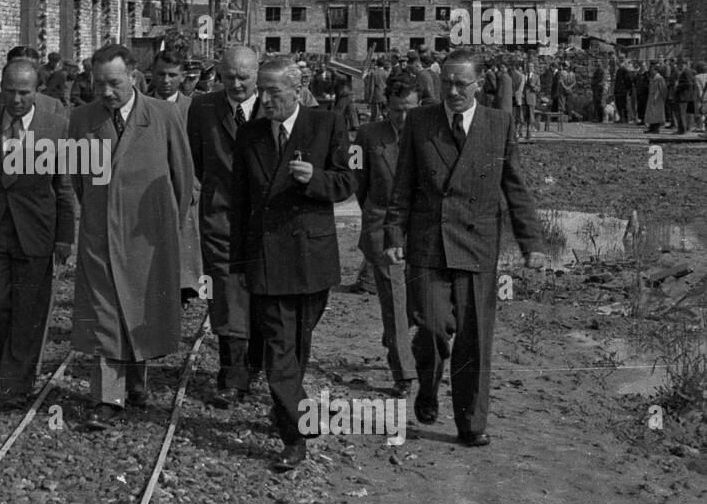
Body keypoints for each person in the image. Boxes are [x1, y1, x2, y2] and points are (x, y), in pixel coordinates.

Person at [383, 51, 546, 447]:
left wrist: (533, 245)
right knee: (432, 328)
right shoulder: (421, 122)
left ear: (479, 84)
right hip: (428, 244)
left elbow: (516, 189)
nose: (453, 91)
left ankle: (471, 423)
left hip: (477, 245)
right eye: (448, 84)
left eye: (462, 84)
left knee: (474, 338)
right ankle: (428, 383)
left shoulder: (498, 124)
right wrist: (393, 235)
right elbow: (402, 185)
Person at [232, 56, 355, 471]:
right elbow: (240, 201)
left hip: (312, 257)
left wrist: (314, 180)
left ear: (297, 89)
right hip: (267, 259)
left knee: (298, 347)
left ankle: (286, 407)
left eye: (274, 92)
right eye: (260, 92)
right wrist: (238, 261)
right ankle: (295, 436)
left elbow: (347, 181)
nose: (264, 100)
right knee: (280, 351)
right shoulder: (248, 135)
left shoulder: (327, 124)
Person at [69, 44, 193, 430]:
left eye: (115, 83)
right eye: (99, 84)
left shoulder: (162, 115)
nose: (106, 92)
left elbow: (182, 179)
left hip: (148, 237)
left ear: (135, 76)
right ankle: (108, 397)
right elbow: (78, 181)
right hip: (101, 234)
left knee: (139, 311)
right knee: (106, 314)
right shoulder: (82, 120)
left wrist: (165, 224)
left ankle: (136, 383)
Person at [0, 59, 75, 406]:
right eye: (10, 92)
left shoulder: (55, 124)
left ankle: (16, 386)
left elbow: (64, 185)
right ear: (1, 88)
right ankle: (5, 350)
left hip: (36, 230)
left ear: (37, 91)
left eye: (24, 93)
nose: (16, 100)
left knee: (29, 310)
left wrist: (64, 235)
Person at [187, 45, 263, 407]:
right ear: (219, 73)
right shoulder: (203, 109)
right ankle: (233, 375)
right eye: (229, 76)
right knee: (227, 300)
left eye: (244, 77)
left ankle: (256, 366)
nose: (236, 84)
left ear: (258, 75)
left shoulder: (276, 106)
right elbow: (198, 161)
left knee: (264, 299)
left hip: (267, 223)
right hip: (221, 218)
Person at [354, 74, 420, 397]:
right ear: (386, 108)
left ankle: (396, 336)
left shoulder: (430, 134)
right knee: (395, 300)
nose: (403, 117)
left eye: (409, 109)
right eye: (397, 110)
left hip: (420, 233)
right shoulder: (368, 136)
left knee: (421, 303)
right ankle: (404, 374)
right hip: (382, 230)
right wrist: (373, 219)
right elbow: (358, 184)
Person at [151, 48, 204, 300]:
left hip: (184, 188)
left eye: (172, 75)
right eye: (160, 74)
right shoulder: (141, 105)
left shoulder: (193, 108)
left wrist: (193, 186)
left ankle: (183, 291)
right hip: (149, 188)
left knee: (184, 243)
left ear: (183, 76)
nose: (165, 80)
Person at [673, 58, 696, 135]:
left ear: (684, 64)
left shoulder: (686, 72)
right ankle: (681, 129)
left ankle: (682, 130)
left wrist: (678, 86)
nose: (679, 66)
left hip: (683, 96)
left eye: (681, 64)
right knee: (680, 113)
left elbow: (688, 83)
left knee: (682, 113)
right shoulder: (685, 71)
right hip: (682, 95)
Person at [644, 63, 668, 134]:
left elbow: (663, 89)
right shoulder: (652, 78)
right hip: (651, 98)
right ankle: (651, 127)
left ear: (656, 70)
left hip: (658, 99)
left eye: (652, 70)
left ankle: (656, 128)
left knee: (657, 113)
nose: (650, 71)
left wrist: (662, 98)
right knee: (651, 113)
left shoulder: (660, 78)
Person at [364, 58, 388, 122]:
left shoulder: (374, 73)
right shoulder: (387, 73)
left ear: (377, 64)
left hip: (376, 96)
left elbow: (371, 87)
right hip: (385, 96)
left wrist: (370, 99)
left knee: (375, 115)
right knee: (385, 114)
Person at [694, 61, 707, 132]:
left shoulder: (697, 77)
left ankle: (701, 127)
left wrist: (701, 97)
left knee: (700, 112)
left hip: (700, 97)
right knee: (705, 113)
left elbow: (699, 88)